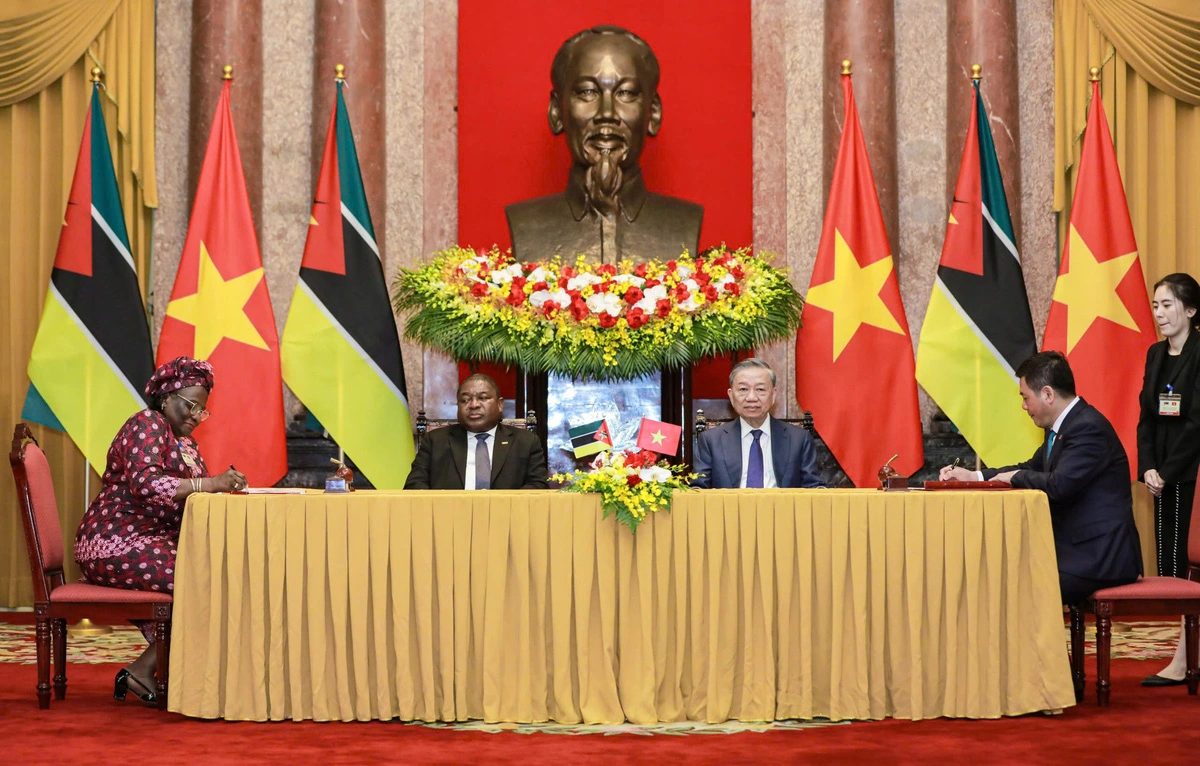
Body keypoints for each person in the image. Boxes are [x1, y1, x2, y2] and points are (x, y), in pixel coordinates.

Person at [73, 356, 246, 705]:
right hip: (114, 541)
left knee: (220, 573)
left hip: (152, 543)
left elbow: (192, 497)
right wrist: (211, 483)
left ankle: (157, 672)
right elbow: (148, 485)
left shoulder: (187, 446)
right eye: (192, 405)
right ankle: (148, 670)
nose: (197, 416)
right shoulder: (147, 423)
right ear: (166, 398)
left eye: (203, 410)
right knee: (203, 580)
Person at [940, 351, 1142, 604]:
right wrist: (973, 476)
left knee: (1017, 589)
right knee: (1001, 574)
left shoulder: (1087, 428)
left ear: (1047, 394)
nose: (1023, 406)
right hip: (1075, 551)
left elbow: (1059, 486)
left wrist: (1015, 477)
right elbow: (1029, 467)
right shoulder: (1062, 428)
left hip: (1100, 556)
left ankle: (1033, 645)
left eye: (1025, 397)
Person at [505, 25, 703, 264]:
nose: (606, 113)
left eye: (626, 93)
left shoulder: (684, 223)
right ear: (557, 112)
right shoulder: (527, 223)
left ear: (653, 113)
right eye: (588, 92)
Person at [1136, 273, 1200, 687]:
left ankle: (1183, 659)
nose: (1160, 313)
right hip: (1161, 475)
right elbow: (1146, 418)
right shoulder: (1155, 354)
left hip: (1193, 475)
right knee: (1171, 566)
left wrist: (1169, 471)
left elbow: (1196, 423)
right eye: (1156, 305)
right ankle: (1187, 654)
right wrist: (1148, 469)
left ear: (1191, 310)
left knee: (1190, 567)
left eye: (1167, 305)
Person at [692, 359, 824, 489]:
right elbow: (698, 490)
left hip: (781, 510)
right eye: (743, 389)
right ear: (731, 396)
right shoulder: (711, 441)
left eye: (760, 389)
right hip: (729, 510)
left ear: (773, 395)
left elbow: (813, 487)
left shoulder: (799, 439)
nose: (751, 398)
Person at [404, 374, 549, 490]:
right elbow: (415, 485)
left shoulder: (525, 442)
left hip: (507, 521)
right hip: (449, 520)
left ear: (500, 405)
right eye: (465, 400)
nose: (473, 405)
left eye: (483, 398)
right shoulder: (436, 441)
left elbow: (538, 486)